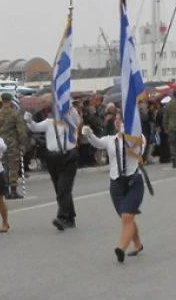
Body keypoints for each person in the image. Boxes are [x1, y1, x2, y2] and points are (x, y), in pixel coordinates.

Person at [82, 116, 146, 263]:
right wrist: (89, 134)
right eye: (116, 120)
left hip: (133, 182)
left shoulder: (138, 137)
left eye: (122, 120)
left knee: (127, 217)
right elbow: (98, 143)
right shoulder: (110, 140)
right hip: (116, 184)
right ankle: (137, 244)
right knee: (126, 218)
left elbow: (138, 148)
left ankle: (121, 249)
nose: (118, 122)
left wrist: (129, 134)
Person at [25, 104, 81, 231]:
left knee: (63, 188)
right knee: (60, 189)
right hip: (53, 158)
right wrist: (29, 121)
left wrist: (68, 105)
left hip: (69, 157)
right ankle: (70, 217)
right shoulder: (49, 122)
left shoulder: (71, 121)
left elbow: (77, 119)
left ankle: (62, 217)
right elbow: (35, 128)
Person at [0, 93, 28, 199]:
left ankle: (5, 191)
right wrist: (23, 144)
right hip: (12, 144)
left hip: (0, 145)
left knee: (3, 167)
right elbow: (21, 131)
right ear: (10, 101)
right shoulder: (15, 114)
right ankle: (13, 190)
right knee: (13, 167)